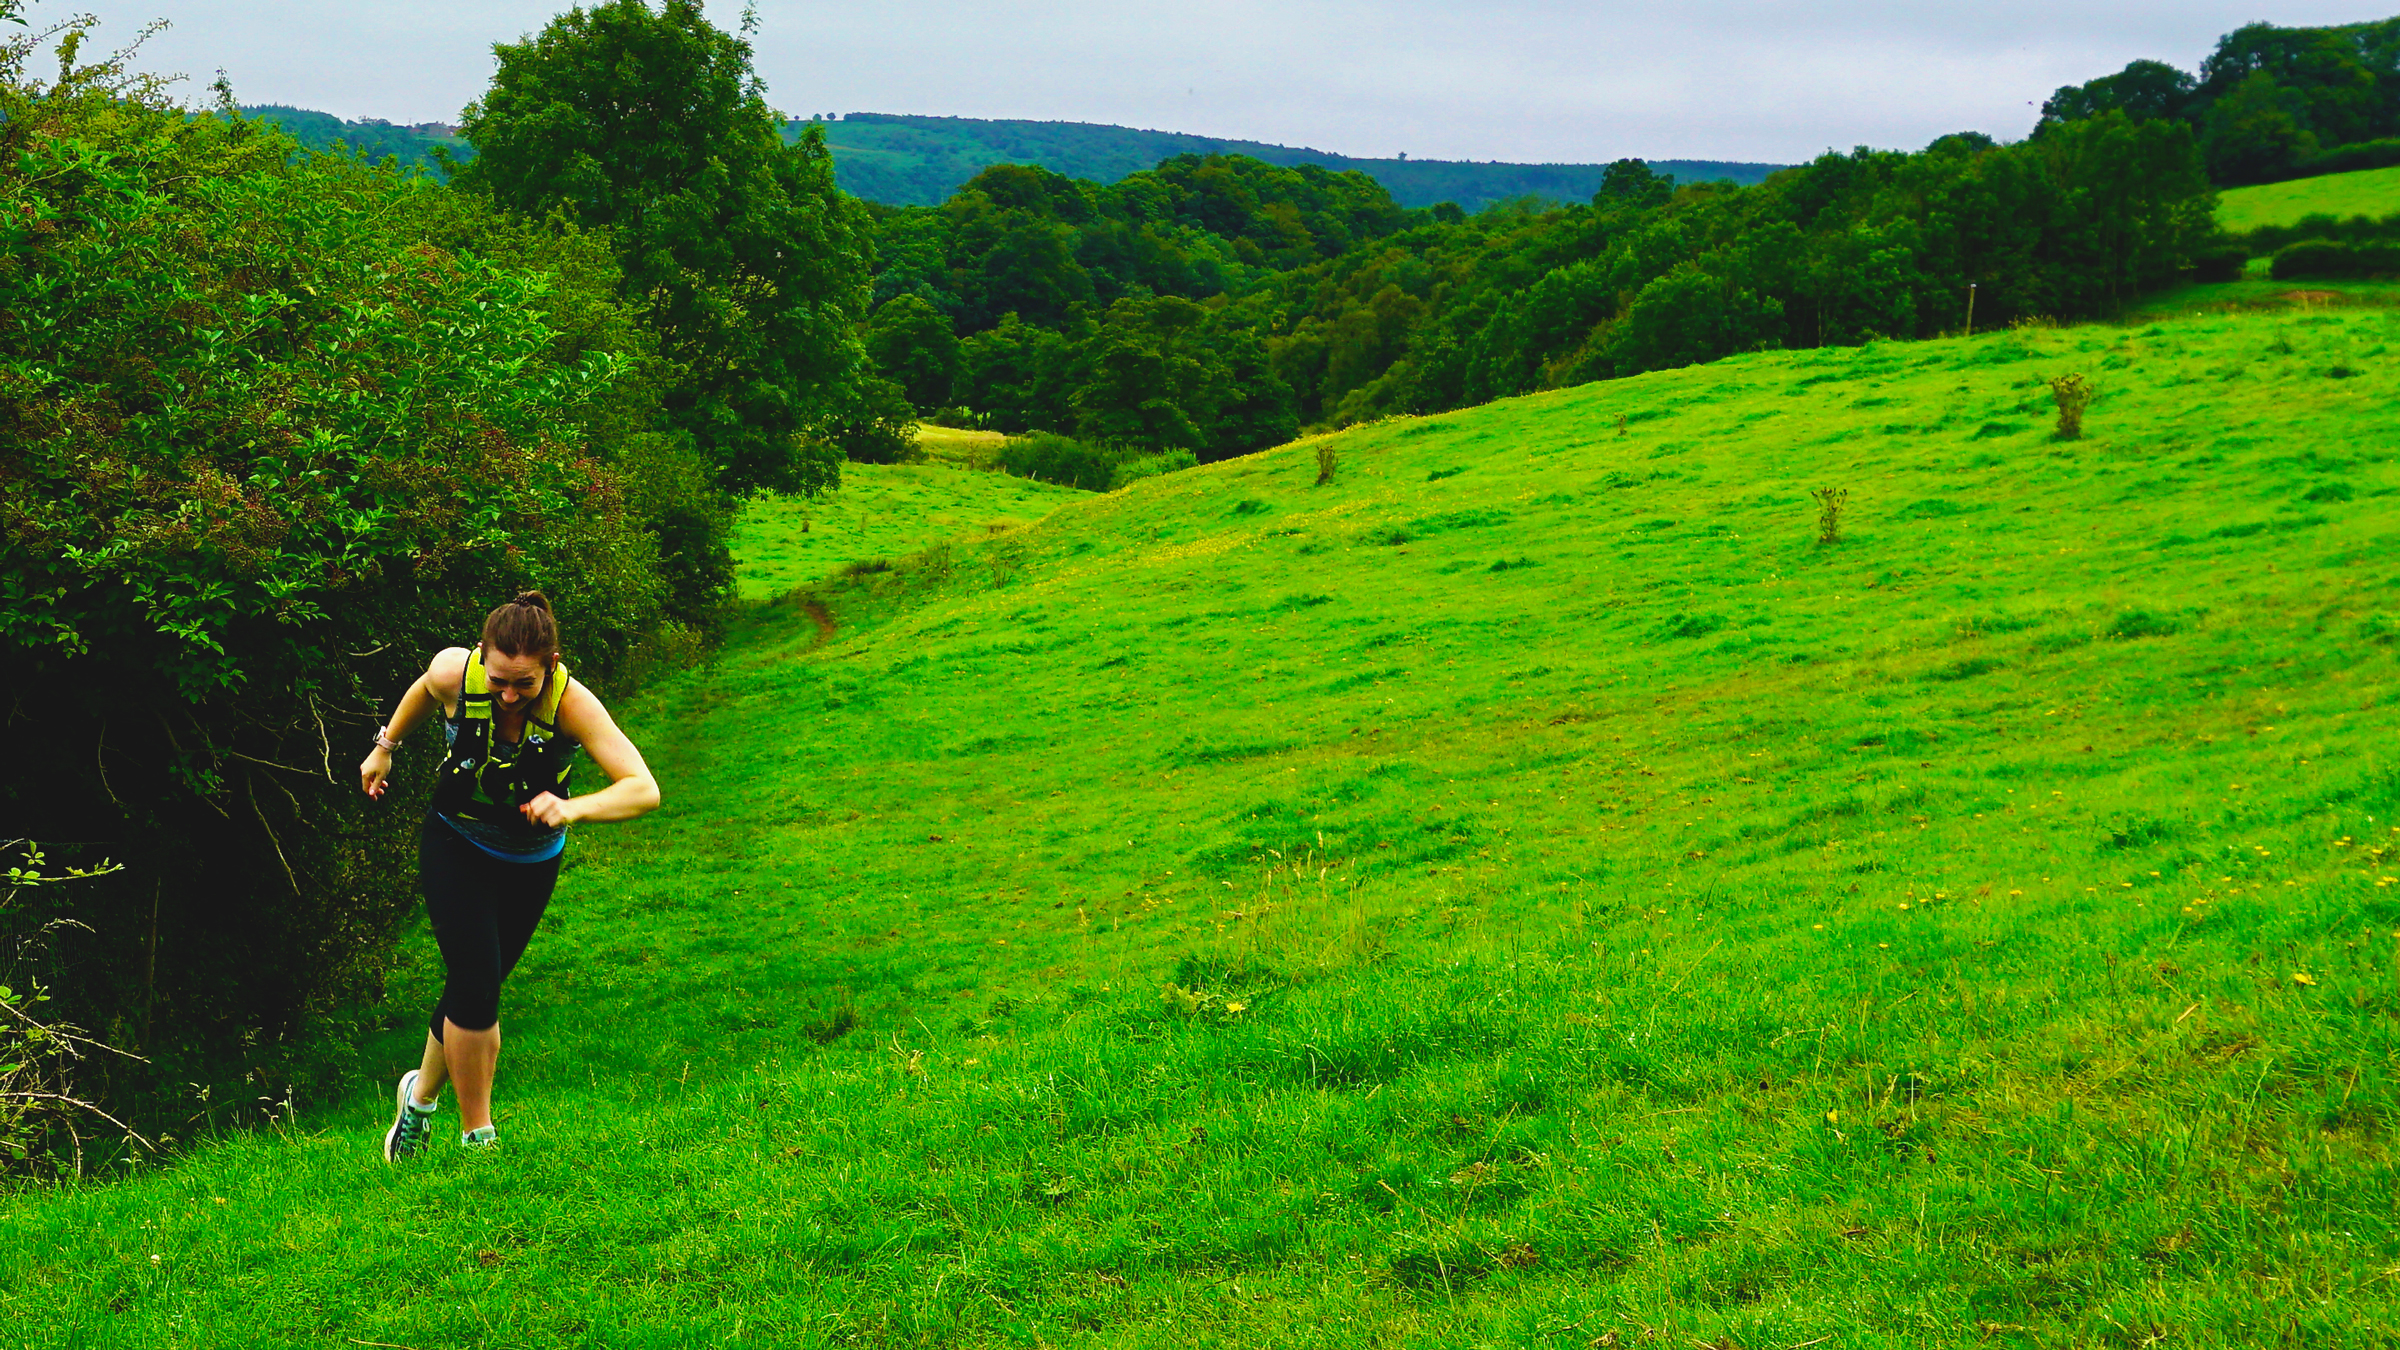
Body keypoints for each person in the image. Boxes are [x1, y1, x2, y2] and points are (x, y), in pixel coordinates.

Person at [357, 592, 659, 1160]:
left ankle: (417, 1104)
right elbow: (423, 690)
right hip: (457, 841)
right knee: (475, 983)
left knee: (476, 986)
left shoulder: (574, 705)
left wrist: (573, 808)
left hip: (531, 860)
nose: (510, 696)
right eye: (499, 681)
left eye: (525, 683)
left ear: (552, 664)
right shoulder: (453, 672)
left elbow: (643, 789)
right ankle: (479, 1139)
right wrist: (386, 747)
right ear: (480, 656)